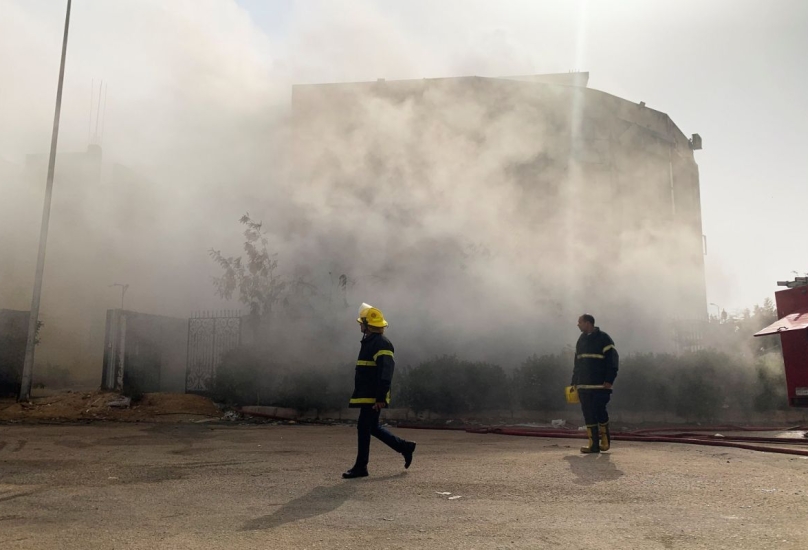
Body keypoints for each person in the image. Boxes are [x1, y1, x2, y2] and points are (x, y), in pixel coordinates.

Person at [342, 303, 417, 479]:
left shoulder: (381, 344)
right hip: (368, 395)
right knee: (372, 427)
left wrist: (380, 397)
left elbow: (386, 373)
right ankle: (404, 447)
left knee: (364, 427)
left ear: (368, 326)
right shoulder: (370, 342)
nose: (360, 325)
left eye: (362, 323)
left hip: (373, 396)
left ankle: (361, 467)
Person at [570, 314, 619, 454]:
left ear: (588, 323)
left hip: (600, 386)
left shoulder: (604, 338)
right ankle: (593, 445)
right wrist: (574, 381)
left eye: (580, 322)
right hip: (583, 386)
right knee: (588, 414)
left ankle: (605, 441)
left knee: (600, 412)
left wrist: (610, 379)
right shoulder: (581, 340)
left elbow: (613, 361)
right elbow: (577, 362)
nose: (578, 325)